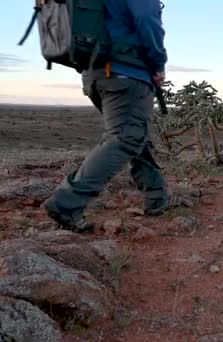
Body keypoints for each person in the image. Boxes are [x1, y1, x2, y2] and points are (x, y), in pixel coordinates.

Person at [42, 0, 189, 233]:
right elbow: (147, 19)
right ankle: (65, 204)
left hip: (96, 75)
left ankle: (157, 198)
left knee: (135, 136)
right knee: (125, 138)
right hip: (125, 73)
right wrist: (158, 63)